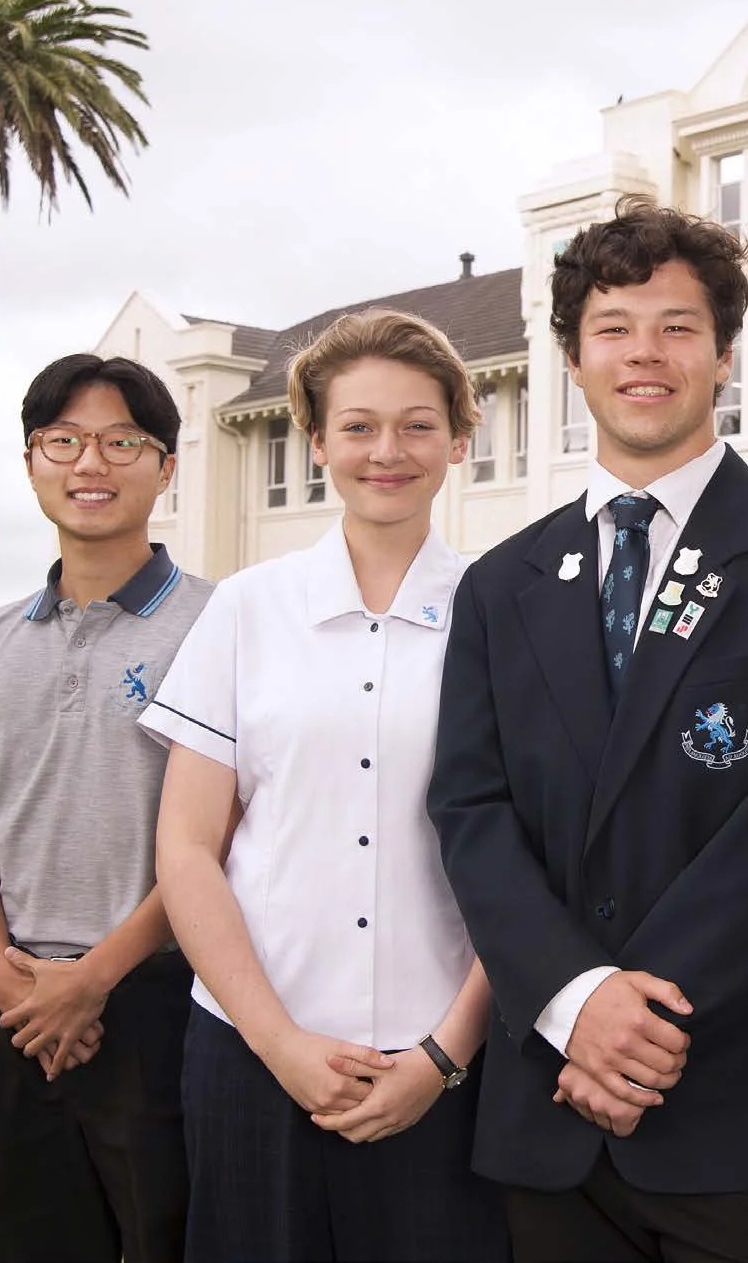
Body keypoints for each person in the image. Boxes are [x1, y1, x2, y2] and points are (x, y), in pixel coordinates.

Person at [428, 196, 748, 1262]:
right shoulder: (500, 586)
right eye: (614, 328)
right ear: (573, 358)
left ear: (725, 356)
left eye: (678, 326)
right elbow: (471, 810)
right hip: (548, 1111)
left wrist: (632, 1024)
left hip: (743, 1111)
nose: (645, 353)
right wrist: (575, 1001)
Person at [143, 309, 507, 1262]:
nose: (387, 451)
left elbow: (532, 861)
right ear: (316, 441)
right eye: (357, 426)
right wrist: (278, 1043)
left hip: (449, 1067)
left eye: (418, 425)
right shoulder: (245, 608)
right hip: (252, 1056)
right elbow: (187, 846)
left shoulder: (505, 616)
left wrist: (443, 1055)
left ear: (458, 440)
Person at [0, 354, 210, 1262]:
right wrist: (6, 979)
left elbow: (223, 836)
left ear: (166, 466)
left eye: (122, 441)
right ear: (31, 461)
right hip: (12, 999)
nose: (91, 462)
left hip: (161, 999)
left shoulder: (220, 626)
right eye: (64, 440)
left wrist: (95, 978)